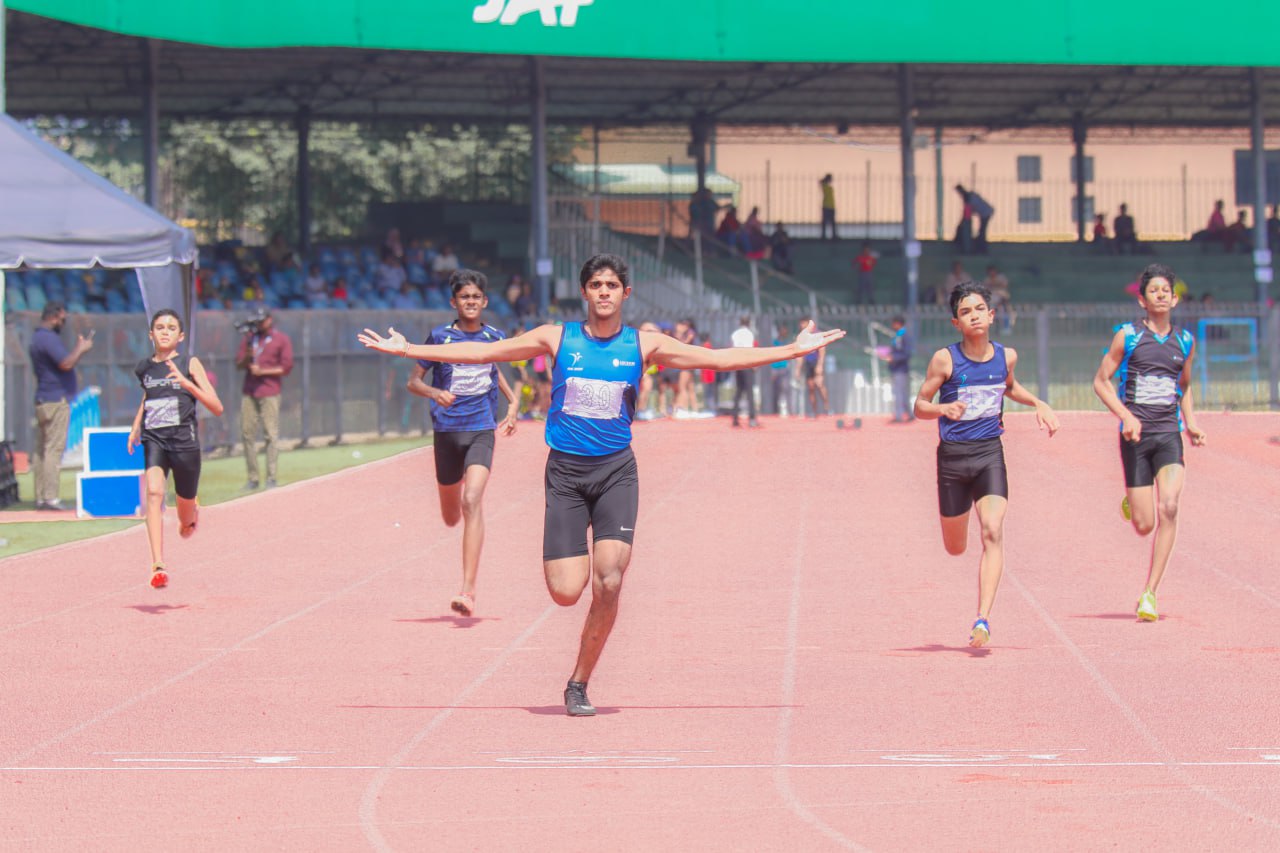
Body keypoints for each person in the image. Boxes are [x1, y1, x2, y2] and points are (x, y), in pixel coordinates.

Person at [358, 253, 844, 716]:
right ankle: (572, 569)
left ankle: (578, 682)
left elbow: (718, 358)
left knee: (609, 579)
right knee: (567, 592)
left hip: (616, 472)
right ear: (585, 292)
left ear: (625, 293)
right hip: (566, 476)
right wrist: (409, 350)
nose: (605, 292)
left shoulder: (644, 345)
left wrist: (791, 351)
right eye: (596, 285)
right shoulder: (556, 337)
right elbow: (483, 350)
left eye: (613, 285)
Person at [913, 281, 1060, 648]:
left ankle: (982, 619)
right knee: (955, 547)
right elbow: (919, 405)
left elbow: (1007, 386)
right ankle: (955, 530)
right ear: (956, 322)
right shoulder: (945, 360)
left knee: (992, 530)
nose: (974, 316)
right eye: (966, 312)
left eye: (979, 309)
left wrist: (1038, 403)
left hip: (989, 454)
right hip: (952, 459)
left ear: (991, 316)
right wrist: (941, 408)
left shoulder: (1005, 356)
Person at [1092, 263, 1206, 623]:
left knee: (1169, 507)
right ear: (1142, 300)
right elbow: (1100, 381)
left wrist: (1191, 423)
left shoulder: (1185, 341)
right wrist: (1125, 416)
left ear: (1174, 298)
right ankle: (1132, 500)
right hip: (1136, 438)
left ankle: (1150, 592)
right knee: (1143, 525)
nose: (1160, 294)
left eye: (1165, 290)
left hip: (1168, 436)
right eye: (1152, 290)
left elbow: (1184, 385)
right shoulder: (1127, 337)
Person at [405, 270, 521, 617]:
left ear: (484, 302)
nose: (470, 302)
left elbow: (492, 368)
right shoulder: (439, 338)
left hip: (481, 429)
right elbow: (413, 381)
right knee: (450, 514)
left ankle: (468, 591)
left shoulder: (494, 336)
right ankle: (451, 504)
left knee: (473, 500)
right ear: (454, 302)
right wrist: (434, 391)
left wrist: (513, 403)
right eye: (464, 297)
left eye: (476, 297)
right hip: (446, 432)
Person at [127, 309, 224, 589]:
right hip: (154, 439)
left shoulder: (189, 363)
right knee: (154, 492)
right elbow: (150, 394)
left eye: (171, 327)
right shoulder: (144, 367)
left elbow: (216, 407)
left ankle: (190, 512)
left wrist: (186, 384)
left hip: (184, 444)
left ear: (180, 336)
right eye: (159, 327)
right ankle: (158, 564)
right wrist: (136, 426)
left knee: (184, 525)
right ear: (151, 334)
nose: (165, 331)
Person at [28, 302, 93, 511]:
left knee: (41, 450)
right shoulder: (48, 338)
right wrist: (81, 349)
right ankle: (50, 498)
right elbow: (66, 363)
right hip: (56, 400)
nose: (63, 323)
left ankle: (40, 496)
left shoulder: (36, 338)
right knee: (53, 449)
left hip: (43, 399)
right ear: (54, 316)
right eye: (63, 319)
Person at [235, 307, 293, 490]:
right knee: (247, 435)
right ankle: (253, 478)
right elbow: (239, 364)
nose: (259, 324)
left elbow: (286, 367)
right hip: (250, 391)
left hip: (270, 391)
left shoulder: (281, 339)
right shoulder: (250, 339)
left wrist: (263, 371)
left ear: (269, 320)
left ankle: (271, 477)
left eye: (262, 320)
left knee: (271, 434)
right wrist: (248, 357)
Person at [881, 315, 913, 423]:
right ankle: (908, 414)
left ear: (898, 323)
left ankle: (900, 415)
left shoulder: (904, 336)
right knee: (901, 392)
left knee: (900, 393)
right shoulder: (898, 336)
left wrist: (893, 358)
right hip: (896, 369)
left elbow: (907, 354)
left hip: (901, 369)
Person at [729, 316, 759, 428]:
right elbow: (750, 349)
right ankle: (752, 418)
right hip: (746, 362)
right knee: (749, 392)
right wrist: (754, 364)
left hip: (737, 362)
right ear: (749, 323)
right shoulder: (750, 334)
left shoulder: (735, 334)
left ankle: (735, 418)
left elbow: (732, 347)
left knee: (738, 391)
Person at [797, 315, 829, 417]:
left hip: (816, 362)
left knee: (819, 384)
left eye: (803, 323)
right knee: (811, 387)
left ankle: (827, 406)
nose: (801, 325)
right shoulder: (801, 336)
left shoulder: (817, 334)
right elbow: (800, 354)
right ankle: (814, 412)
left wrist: (820, 365)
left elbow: (822, 351)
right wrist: (798, 369)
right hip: (808, 363)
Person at [956, 185, 994, 253]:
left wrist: (962, 222)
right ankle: (981, 246)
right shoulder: (971, 195)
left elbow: (967, 212)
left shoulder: (968, 198)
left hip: (985, 214)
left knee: (982, 231)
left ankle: (982, 248)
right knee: (981, 231)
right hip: (985, 213)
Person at [819, 173, 838, 240]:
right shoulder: (824, 185)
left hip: (832, 206)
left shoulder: (829, 187)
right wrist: (825, 179)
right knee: (825, 222)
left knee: (833, 222)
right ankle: (823, 235)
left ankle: (834, 235)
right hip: (826, 206)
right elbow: (820, 181)